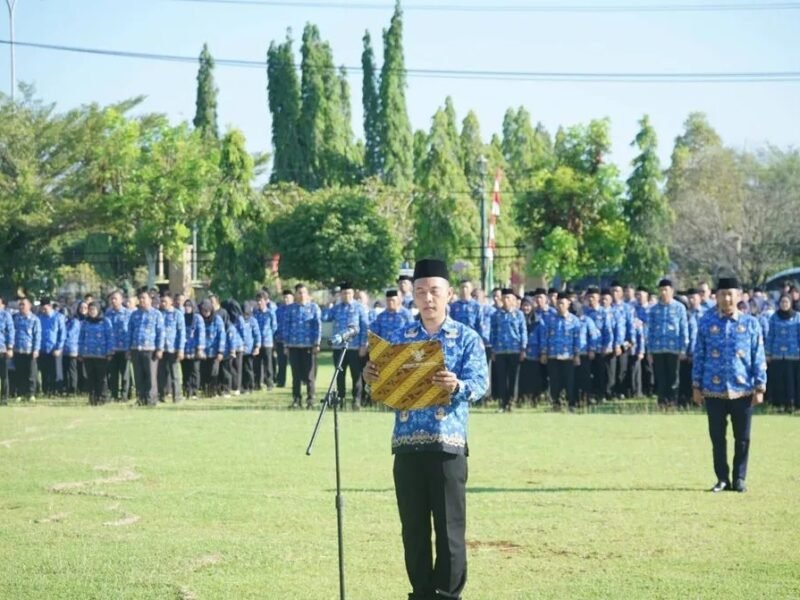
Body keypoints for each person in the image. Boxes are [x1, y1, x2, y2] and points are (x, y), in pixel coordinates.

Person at [363, 258, 488, 600]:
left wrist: (457, 384)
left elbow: (481, 383)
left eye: (434, 291)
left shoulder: (466, 338)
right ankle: (420, 593)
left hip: (447, 445)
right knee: (414, 531)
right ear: (412, 296)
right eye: (420, 292)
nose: (428, 298)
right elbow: (383, 393)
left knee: (449, 531)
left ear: (449, 294)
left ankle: (447, 595)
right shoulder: (399, 340)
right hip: (406, 445)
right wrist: (371, 379)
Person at [692, 277, 767, 493]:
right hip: (713, 389)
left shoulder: (751, 324)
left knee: (742, 438)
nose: (727, 298)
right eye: (723, 294)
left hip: (743, 389)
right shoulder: (706, 323)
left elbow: (758, 356)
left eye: (731, 294)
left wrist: (760, 387)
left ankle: (740, 478)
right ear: (716, 297)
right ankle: (722, 478)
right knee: (717, 437)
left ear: (739, 296)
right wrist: (696, 386)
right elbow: (699, 355)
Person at [323, 282, 368, 410]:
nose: (346, 295)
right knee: (339, 375)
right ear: (340, 295)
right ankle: (340, 399)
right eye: (343, 293)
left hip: (354, 347)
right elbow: (325, 317)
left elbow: (364, 327)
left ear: (353, 294)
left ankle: (356, 400)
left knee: (356, 375)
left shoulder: (359, 307)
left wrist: (363, 344)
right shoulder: (336, 308)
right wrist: (329, 304)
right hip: (339, 347)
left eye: (348, 293)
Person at [647, 279, 689, 409]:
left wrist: (683, 349)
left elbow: (683, 328)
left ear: (671, 291)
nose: (663, 293)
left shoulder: (679, 308)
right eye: (661, 290)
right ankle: (662, 402)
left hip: (674, 348)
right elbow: (650, 331)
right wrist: (649, 350)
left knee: (673, 377)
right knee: (661, 377)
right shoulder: (654, 310)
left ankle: (672, 402)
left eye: (666, 290)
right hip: (658, 349)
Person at [540, 293, 581, 411]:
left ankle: (571, 404)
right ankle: (556, 404)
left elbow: (577, 339)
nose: (560, 306)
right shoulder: (549, 320)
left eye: (563, 303)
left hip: (568, 356)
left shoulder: (574, 320)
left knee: (569, 381)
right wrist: (544, 352)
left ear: (568, 304)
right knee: (554, 381)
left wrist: (577, 354)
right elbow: (545, 337)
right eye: (558, 303)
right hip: (553, 355)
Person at [284, 283, 321, 409]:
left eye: (303, 292)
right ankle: (296, 399)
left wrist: (317, 343)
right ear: (295, 294)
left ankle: (310, 400)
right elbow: (286, 327)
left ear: (307, 294)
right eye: (299, 292)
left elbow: (318, 327)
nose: (301, 295)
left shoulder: (313, 308)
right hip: (294, 346)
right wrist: (286, 345)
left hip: (309, 346)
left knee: (310, 375)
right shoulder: (290, 309)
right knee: (295, 375)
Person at [490, 288, 527, 412]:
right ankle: (502, 403)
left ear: (514, 300)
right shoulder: (496, 315)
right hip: (500, 351)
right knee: (501, 378)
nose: (506, 300)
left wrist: (523, 348)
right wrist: (493, 350)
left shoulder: (519, 314)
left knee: (513, 378)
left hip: (515, 350)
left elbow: (523, 332)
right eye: (504, 298)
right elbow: (492, 333)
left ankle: (511, 402)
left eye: (509, 298)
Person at [127, 288, 165, 407]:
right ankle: (141, 398)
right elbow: (130, 331)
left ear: (150, 299)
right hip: (136, 349)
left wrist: (160, 349)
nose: (142, 300)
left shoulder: (156, 314)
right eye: (140, 298)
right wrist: (128, 349)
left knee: (151, 376)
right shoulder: (134, 314)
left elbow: (160, 332)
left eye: (144, 298)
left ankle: (151, 400)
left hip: (150, 349)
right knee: (138, 376)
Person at [765, 294, 800, 413]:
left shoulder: (797, 317)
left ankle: (792, 404)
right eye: (782, 302)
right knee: (779, 381)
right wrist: (768, 353)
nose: (784, 305)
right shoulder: (774, 317)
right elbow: (770, 336)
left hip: (794, 354)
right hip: (777, 354)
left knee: (792, 381)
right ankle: (778, 405)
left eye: (786, 302)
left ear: (790, 303)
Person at [78, 301, 113, 405]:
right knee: (90, 377)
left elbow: (110, 337)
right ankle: (92, 398)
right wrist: (80, 352)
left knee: (101, 377)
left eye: (94, 309)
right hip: (88, 354)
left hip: (101, 354)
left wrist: (109, 352)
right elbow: (81, 338)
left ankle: (102, 397)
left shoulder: (105, 321)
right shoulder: (85, 322)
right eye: (90, 310)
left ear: (98, 310)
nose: (92, 312)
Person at [158, 293, 186, 403]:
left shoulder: (177, 314)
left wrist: (180, 349)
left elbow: (181, 333)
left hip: (173, 349)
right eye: (161, 301)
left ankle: (177, 397)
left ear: (171, 302)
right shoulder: (159, 314)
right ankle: (161, 395)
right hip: (161, 349)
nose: (163, 303)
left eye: (165, 301)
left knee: (175, 374)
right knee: (161, 374)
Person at [106, 291, 132, 402]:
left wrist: (129, 349)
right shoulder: (107, 314)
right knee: (113, 374)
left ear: (121, 300)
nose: (113, 301)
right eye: (112, 299)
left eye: (115, 298)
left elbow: (131, 332)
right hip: (112, 349)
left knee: (125, 374)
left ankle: (125, 395)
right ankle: (114, 394)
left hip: (124, 348)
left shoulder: (128, 314)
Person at [13, 297, 41, 402]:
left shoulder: (35, 319)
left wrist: (36, 349)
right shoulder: (15, 318)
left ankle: (31, 393)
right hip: (18, 349)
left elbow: (37, 335)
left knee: (31, 373)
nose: (21, 306)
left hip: (30, 350)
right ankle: (20, 393)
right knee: (19, 373)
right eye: (20, 304)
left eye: (23, 304)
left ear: (29, 306)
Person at [37, 297, 66, 396]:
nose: (43, 311)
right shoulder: (40, 318)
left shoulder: (59, 317)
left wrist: (59, 348)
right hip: (43, 348)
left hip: (55, 349)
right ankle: (46, 390)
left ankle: (57, 390)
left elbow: (62, 334)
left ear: (50, 306)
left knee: (56, 372)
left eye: (45, 309)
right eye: (42, 309)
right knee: (45, 372)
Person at [199, 300, 224, 396]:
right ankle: (204, 390)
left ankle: (212, 391)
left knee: (214, 373)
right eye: (203, 311)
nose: (205, 313)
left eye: (207, 311)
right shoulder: (200, 319)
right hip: (203, 352)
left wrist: (220, 351)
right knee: (204, 372)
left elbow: (221, 335)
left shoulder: (217, 319)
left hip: (214, 351)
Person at [182, 299, 206, 400]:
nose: (187, 308)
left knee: (194, 371)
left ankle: (195, 391)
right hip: (185, 349)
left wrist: (200, 348)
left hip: (195, 349)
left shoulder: (198, 318)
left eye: (189, 305)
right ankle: (187, 391)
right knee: (185, 371)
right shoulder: (182, 317)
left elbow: (201, 333)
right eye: (185, 305)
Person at [254, 292, 277, 391]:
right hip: (257, 343)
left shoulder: (270, 313)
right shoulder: (255, 313)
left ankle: (269, 383)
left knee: (268, 364)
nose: (259, 302)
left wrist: (268, 334)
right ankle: (257, 383)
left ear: (266, 301)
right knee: (257, 364)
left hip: (267, 342)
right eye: (258, 301)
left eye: (261, 300)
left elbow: (274, 327)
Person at [274, 290, 293, 388]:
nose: (286, 300)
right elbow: (275, 325)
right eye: (284, 298)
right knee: (281, 362)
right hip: (281, 339)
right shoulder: (278, 310)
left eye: (288, 298)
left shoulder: (295, 309)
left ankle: (301, 380)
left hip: (294, 341)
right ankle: (281, 381)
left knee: (296, 363)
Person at [0, 296, 15, 404]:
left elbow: (10, 332)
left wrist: (10, 347)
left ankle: (4, 397)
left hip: (2, 349)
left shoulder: (6, 315)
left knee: (4, 375)